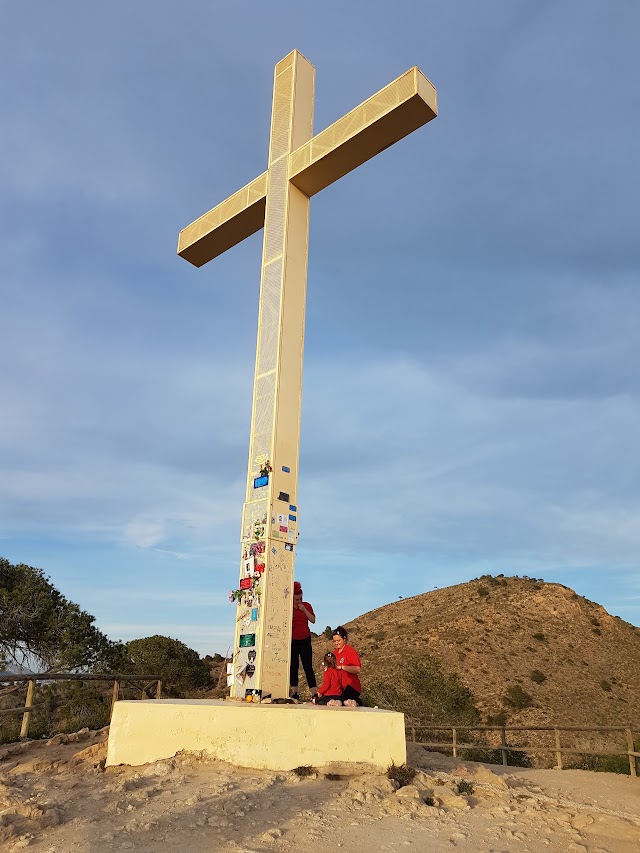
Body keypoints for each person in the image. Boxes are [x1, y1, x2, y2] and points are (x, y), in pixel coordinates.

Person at [290, 581, 317, 700]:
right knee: (293, 666)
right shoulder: (288, 609)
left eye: (300, 598)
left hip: (305, 638)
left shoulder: (307, 605)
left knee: (308, 666)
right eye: (296, 599)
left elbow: (313, 620)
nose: (299, 601)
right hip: (293, 640)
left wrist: (304, 610)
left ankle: (314, 693)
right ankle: (295, 692)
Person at [332, 625, 362, 706]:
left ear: (344, 639)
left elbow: (357, 669)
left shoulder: (350, 651)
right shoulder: (335, 653)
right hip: (340, 687)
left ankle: (358, 703)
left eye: (338, 640)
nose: (336, 643)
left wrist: (342, 667)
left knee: (343, 701)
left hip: (351, 686)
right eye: (334, 641)